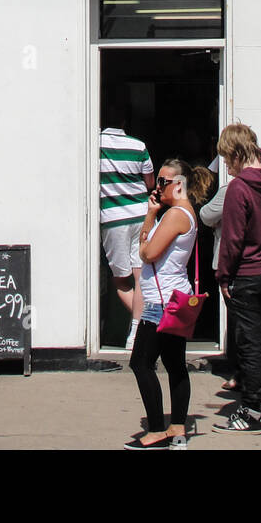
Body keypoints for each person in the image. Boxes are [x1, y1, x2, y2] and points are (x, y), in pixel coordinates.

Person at [125, 159, 214, 450]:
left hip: (161, 303)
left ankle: (156, 431)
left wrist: (150, 219)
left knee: (141, 363)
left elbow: (148, 252)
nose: (157, 186)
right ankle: (177, 430)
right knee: (175, 365)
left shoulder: (176, 214)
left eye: (163, 181)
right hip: (176, 298)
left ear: (179, 185)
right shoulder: (182, 212)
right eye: (158, 181)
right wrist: (152, 214)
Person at [212, 124, 261, 432]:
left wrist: (223, 276)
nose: (226, 167)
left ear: (237, 153)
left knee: (250, 345)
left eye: (228, 159)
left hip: (246, 275)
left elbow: (232, 240)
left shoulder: (239, 189)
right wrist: (255, 150)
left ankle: (252, 411)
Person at [99, 116, 155, 352]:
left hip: (113, 219)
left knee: (120, 280)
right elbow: (150, 183)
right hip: (142, 215)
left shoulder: (94, 145)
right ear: (124, 121)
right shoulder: (139, 145)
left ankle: (139, 331)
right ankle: (138, 332)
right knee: (141, 275)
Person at [198, 168, 238, 391]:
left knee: (239, 326)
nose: (228, 168)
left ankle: (243, 377)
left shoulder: (230, 190)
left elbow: (206, 215)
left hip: (231, 264)